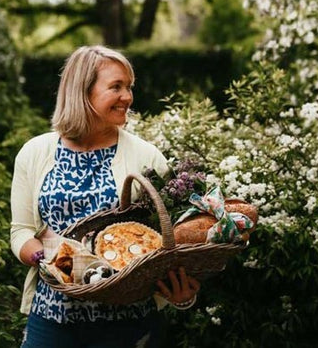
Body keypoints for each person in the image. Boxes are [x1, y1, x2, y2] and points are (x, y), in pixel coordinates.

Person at [11, 45, 200, 348]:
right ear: (82, 91)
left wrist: (182, 296)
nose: (128, 97)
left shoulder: (146, 156)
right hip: (52, 322)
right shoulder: (35, 153)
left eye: (129, 87)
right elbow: (20, 231)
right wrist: (44, 257)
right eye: (116, 87)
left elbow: (174, 235)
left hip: (129, 326)